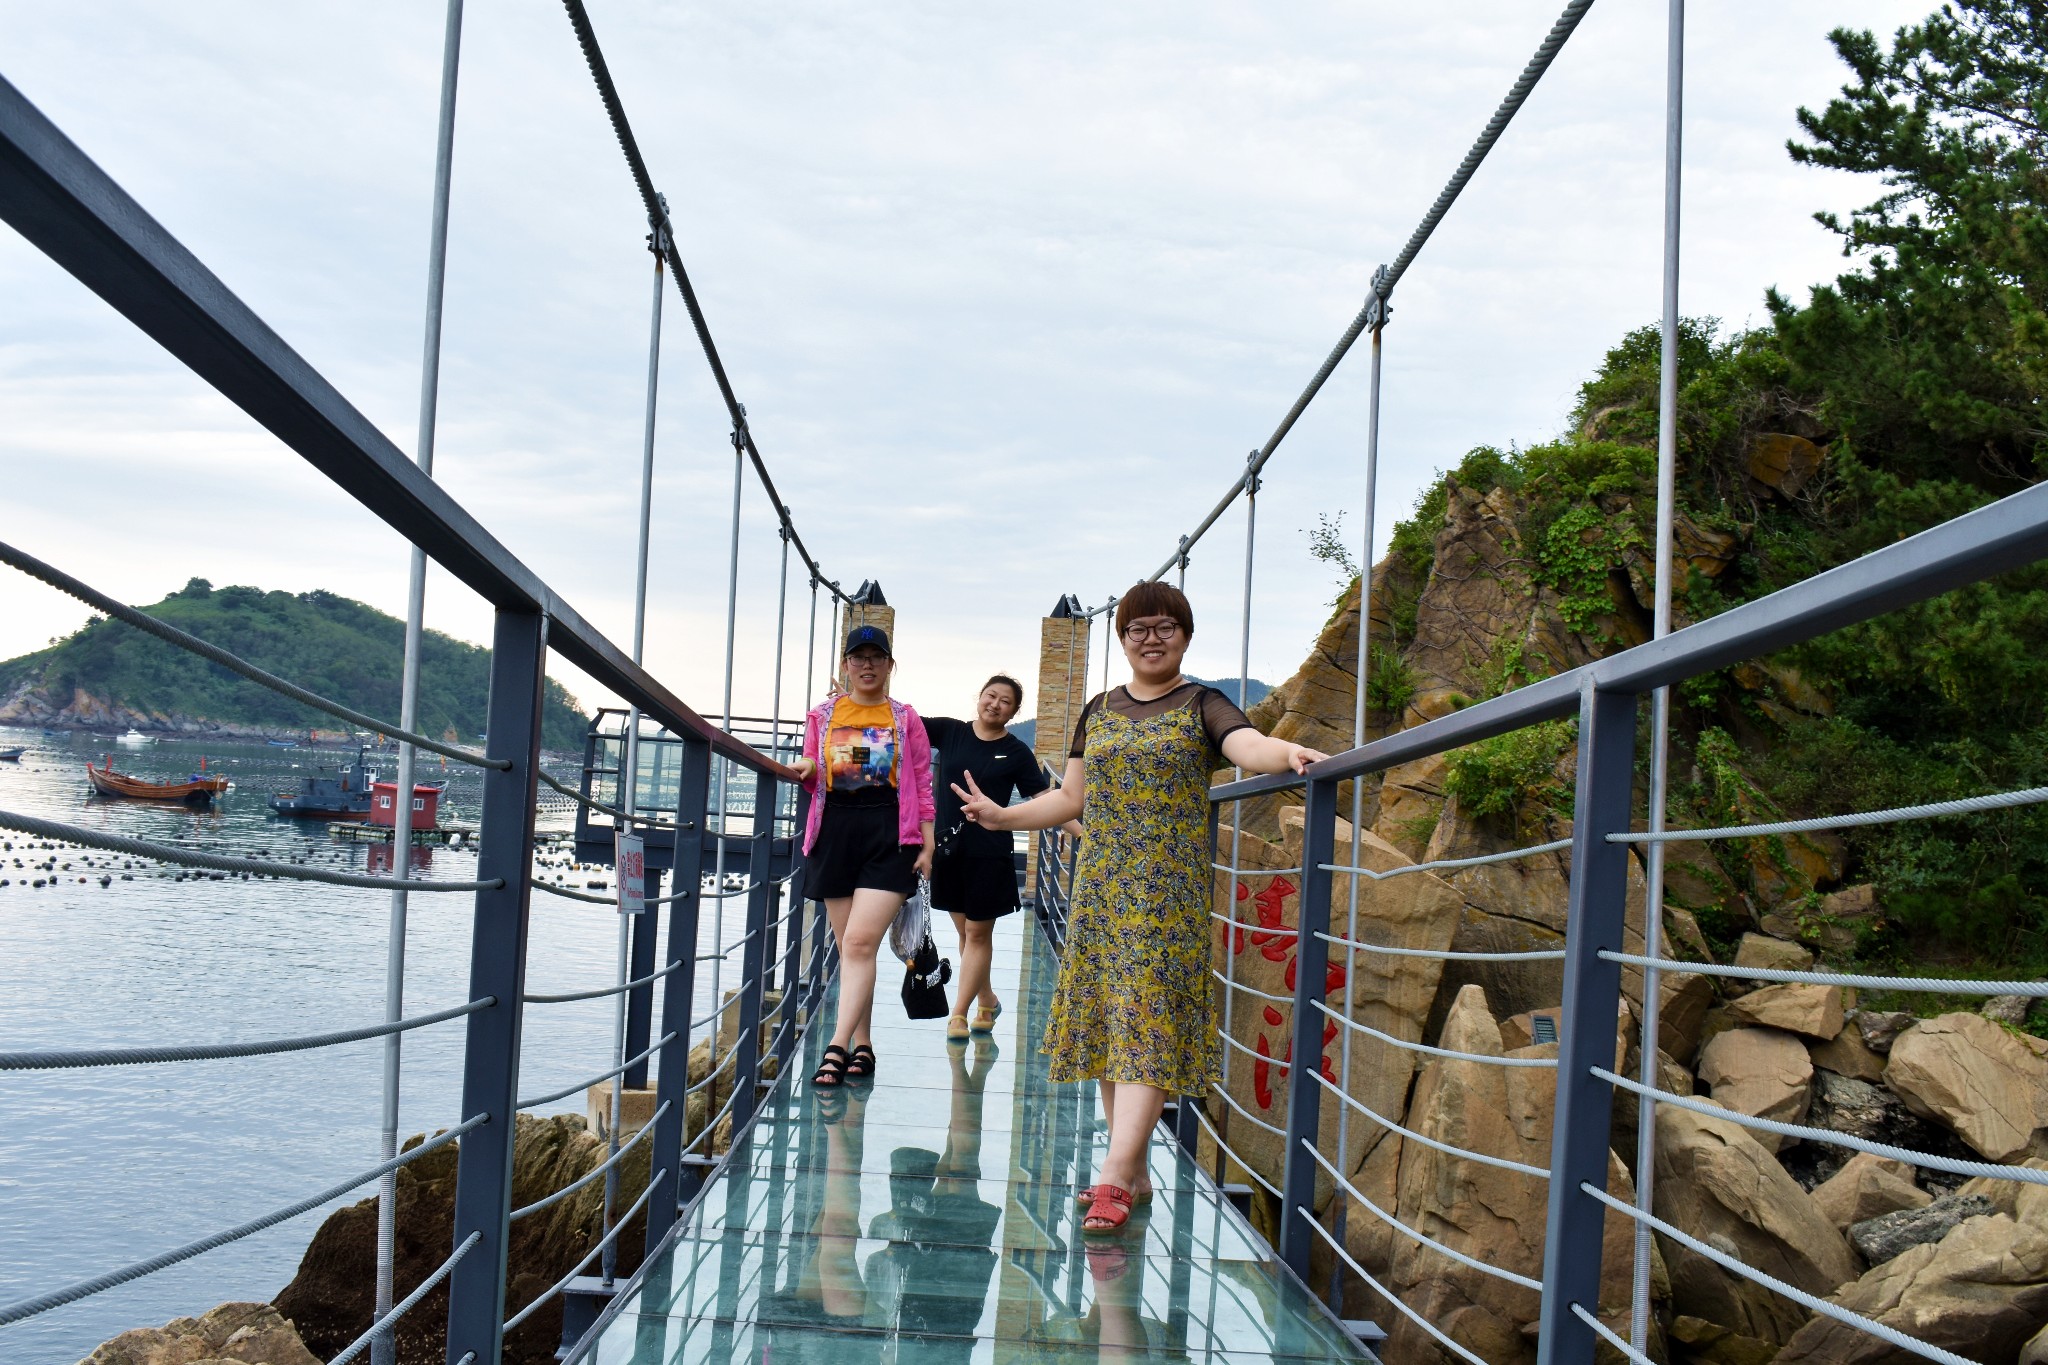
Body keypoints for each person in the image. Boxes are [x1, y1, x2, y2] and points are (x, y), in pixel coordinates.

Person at [952, 581, 1325, 1235]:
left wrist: (1287, 754)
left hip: (1167, 896)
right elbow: (1070, 799)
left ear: (1185, 633)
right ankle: (1136, 1170)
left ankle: (1114, 1173)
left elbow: (1246, 746)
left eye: (1165, 626)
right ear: (1122, 639)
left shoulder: (1202, 702)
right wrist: (1003, 814)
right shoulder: (1098, 709)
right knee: (1108, 1031)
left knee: (1146, 1029)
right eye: (1137, 628)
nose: (1151, 637)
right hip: (1100, 890)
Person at [792, 624, 935, 1090]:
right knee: (855, 949)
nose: (867, 665)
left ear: (891, 665)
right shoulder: (824, 714)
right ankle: (864, 1045)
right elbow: (812, 763)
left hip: (889, 833)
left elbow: (921, 778)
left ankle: (835, 1046)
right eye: (859, 657)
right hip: (834, 830)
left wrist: (927, 841)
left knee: (857, 945)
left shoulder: (905, 717)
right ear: (846, 665)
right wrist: (808, 766)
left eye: (877, 657)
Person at [920, 675, 1079, 1042]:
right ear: (980, 697)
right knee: (966, 934)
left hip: (988, 854)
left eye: (1005, 701)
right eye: (991, 695)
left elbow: (1045, 798)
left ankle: (959, 1013)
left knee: (977, 933)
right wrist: (856, 702)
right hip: (949, 850)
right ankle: (987, 998)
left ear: (1014, 710)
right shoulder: (950, 732)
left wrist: (1082, 832)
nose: (995, 704)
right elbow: (900, 722)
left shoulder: (1017, 751)